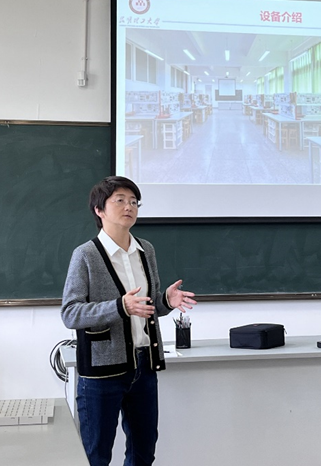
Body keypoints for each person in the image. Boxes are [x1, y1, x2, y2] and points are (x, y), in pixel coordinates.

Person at [61, 176, 196, 466]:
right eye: (120, 200)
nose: (129, 207)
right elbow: (71, 313)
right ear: (99, 210)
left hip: (144, 367)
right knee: (96, 456)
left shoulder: (145, 250)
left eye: (134, 202)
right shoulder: (85, 255)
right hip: (101, 373)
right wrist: (119, 306)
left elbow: (146, 306)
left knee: (143, 452)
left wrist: (165, 301)